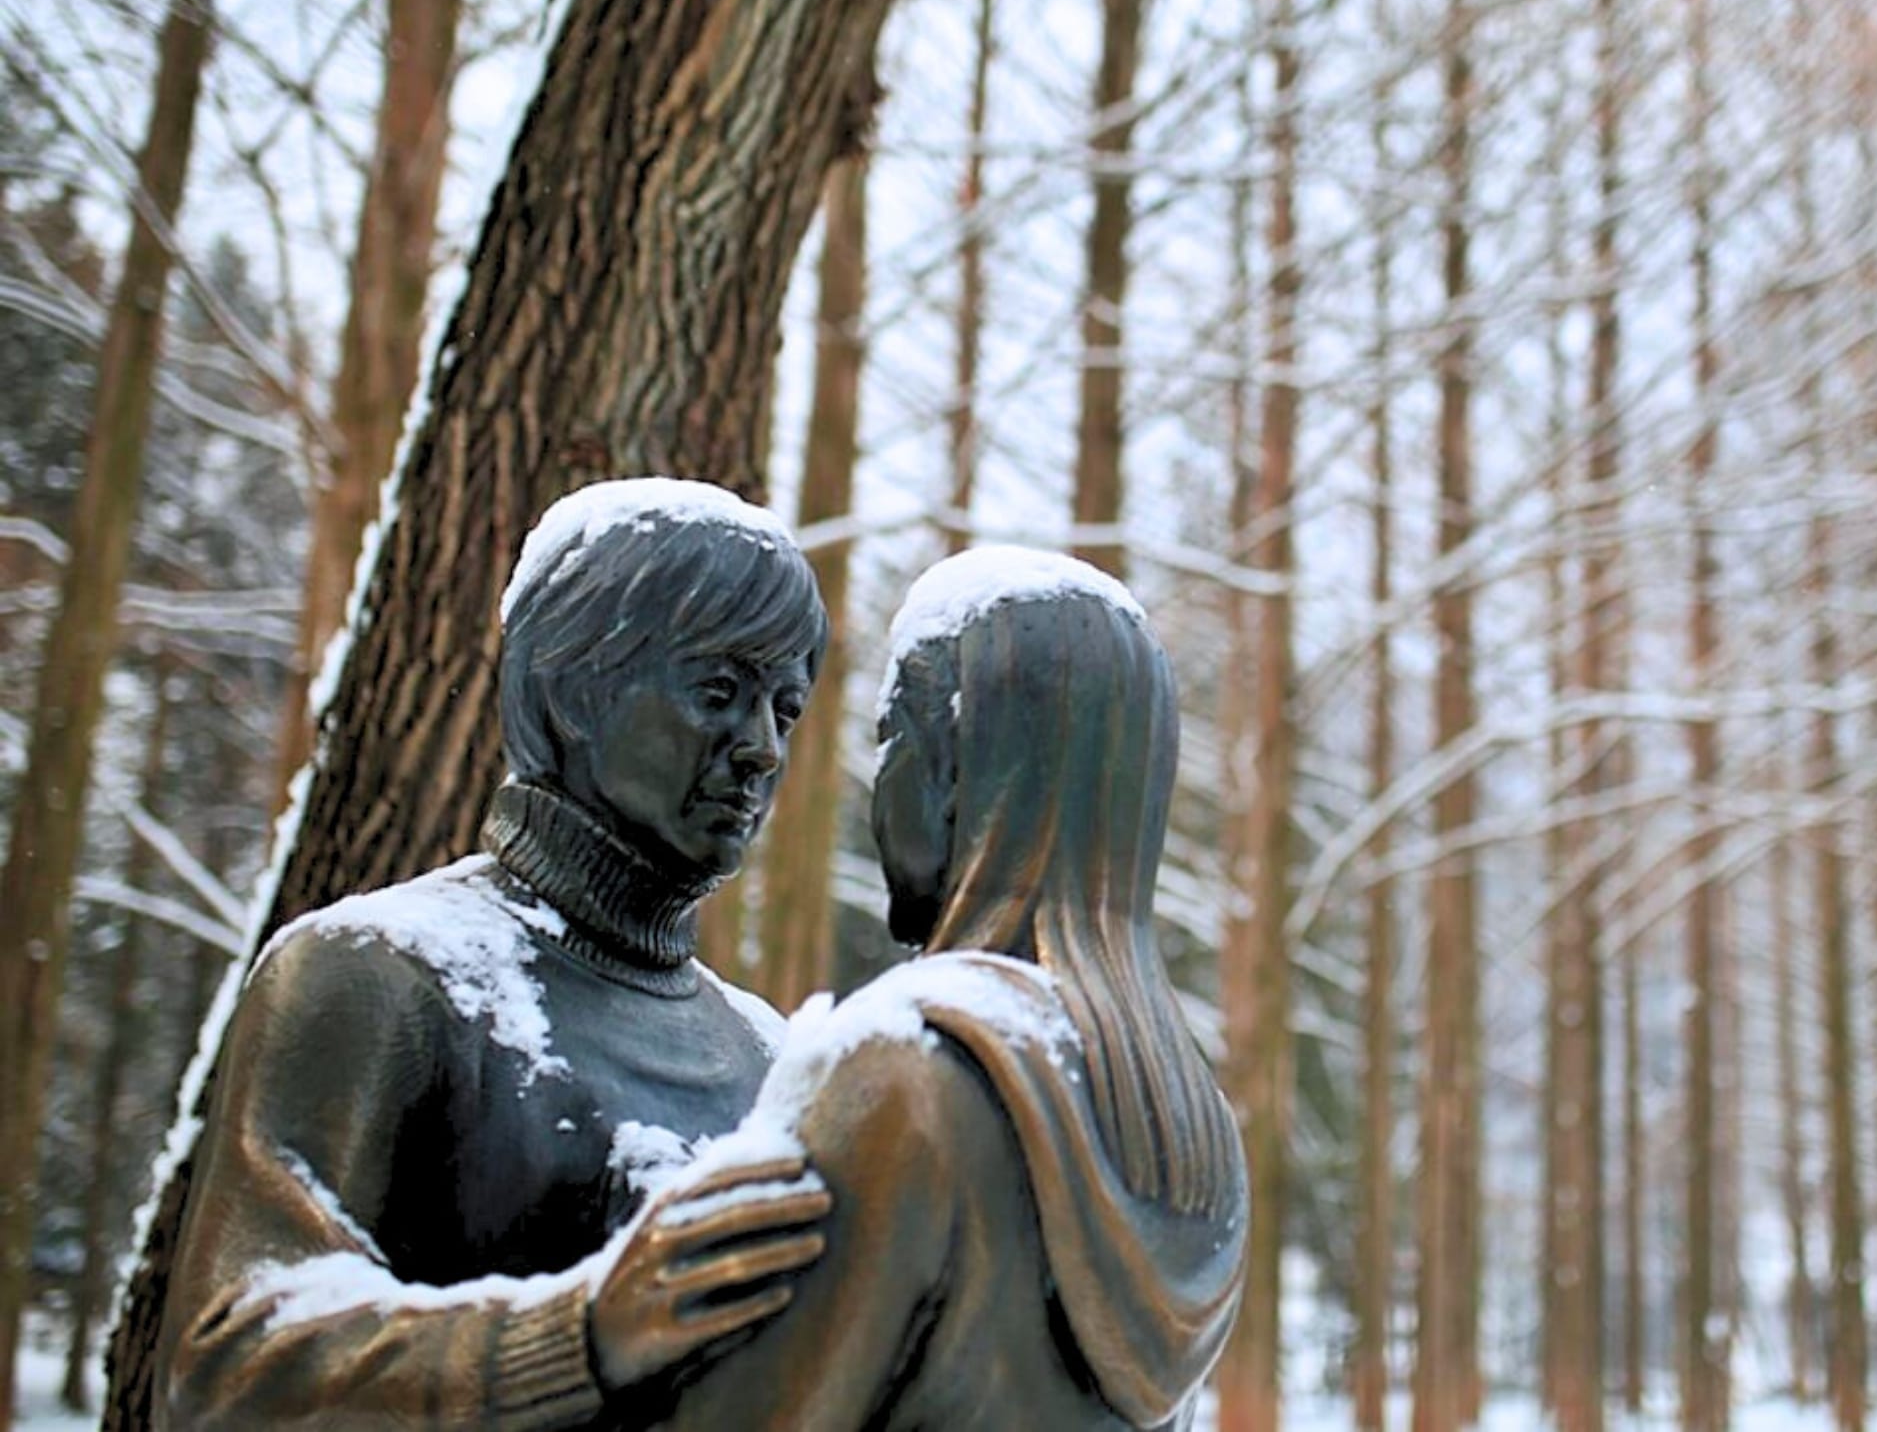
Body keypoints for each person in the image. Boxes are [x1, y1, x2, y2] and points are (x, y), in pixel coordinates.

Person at [160, 478, 838, 1428]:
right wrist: (582, 1333)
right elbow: (229, 1368)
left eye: (786, 709)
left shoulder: (769, 1055)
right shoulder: (378, 973)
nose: (762, 749)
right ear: (573, 688)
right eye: (718, 691)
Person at [648, 545, 1249, 1430]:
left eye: (892, 737)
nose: (876, 783)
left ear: (960, 769)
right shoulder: (1184, 1119)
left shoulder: (907, 1070)